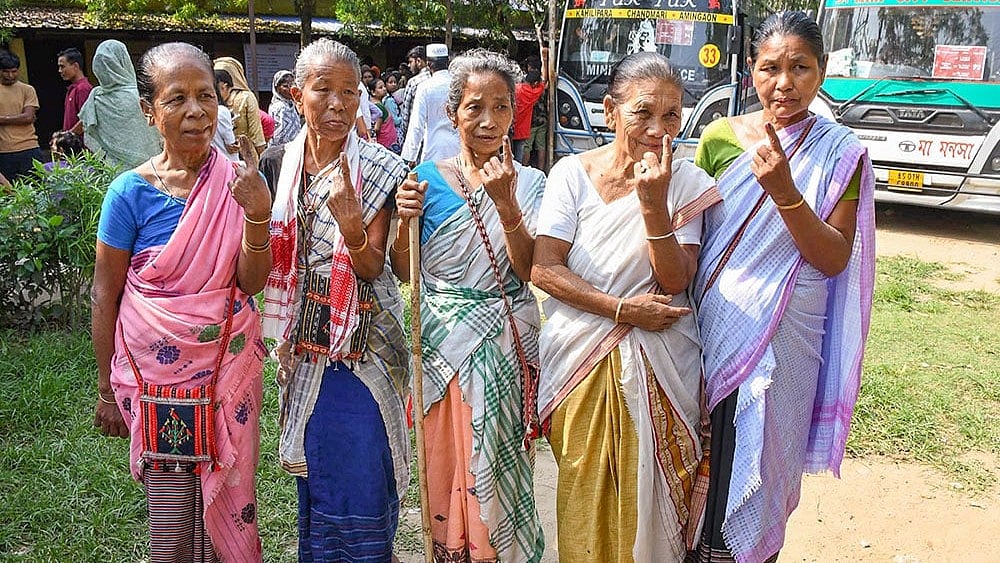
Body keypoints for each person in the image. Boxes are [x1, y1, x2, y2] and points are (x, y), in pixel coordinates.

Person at [690, 12, 875, 563]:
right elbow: (695, 240)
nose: (784, 83)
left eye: (800, 68)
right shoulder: (721, 137)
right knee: (703, 462)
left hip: (788, 336)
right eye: (770, 68)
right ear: (751, 72)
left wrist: (786, 193)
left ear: (821, 75)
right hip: (717, 327)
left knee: (762, 467)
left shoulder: (842, 153)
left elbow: (835, 256)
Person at [531, 51, 722, 561]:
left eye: (672, 115)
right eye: (643, 113)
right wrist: (621, 310)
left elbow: (675, 278)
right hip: (580, 360)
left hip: (663, 365)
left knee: (653, 501)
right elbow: (544, 269)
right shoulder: (570, 174)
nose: (659, 129)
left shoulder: (688, 185)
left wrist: (654, 205)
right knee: (584, 494)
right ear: (610, 112)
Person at [91, 42, 272, 562]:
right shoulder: (129, 193)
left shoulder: (237, 183)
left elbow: (250, 283)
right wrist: (106, 387)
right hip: (155, 382)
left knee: (230, 498)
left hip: (226, 372)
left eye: (205, 96)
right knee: (170, 520)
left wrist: (257, 215)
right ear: (150, 111)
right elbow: (107, 293)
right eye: (177, 99)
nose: (196, 110)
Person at [259, 37, 411, 562]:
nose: (338, 104)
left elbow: (371, 267)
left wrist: (349, 223)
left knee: (364, 464)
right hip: (303, 345)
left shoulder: (379, 168)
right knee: (319, 467)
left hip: (364, 345)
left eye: (350, 92)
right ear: (298, 95)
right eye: (323, 90)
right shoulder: (278, 163)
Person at [392, 48, 546, 563]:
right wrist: (401, 221)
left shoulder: (531, 183)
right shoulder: (424, 179)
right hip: (443, 351)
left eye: (501, 108)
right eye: (475, 107)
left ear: (514, 114)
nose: (488, 121)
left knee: (497, 468)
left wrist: (506, 205)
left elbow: (529, 271)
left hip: (501, 345)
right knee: (448, 461)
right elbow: (405, 270)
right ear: (452, 111)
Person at [74, 39, 162, 170]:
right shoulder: (141, 95)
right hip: (153, 169)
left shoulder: (96, 100)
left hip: (115, 172)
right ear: (124, 61)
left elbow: (91, 136)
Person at [401, 43, 459, 167]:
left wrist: (408, 157)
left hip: (433, 150)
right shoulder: (458, 85)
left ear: (429, 64)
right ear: (447, 62)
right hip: (458, 149)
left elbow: (417, 125)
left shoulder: (425, 87)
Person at [0, 51, 44, 183]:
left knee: (38, 191)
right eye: (6, 72)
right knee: (9, 195)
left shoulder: (27, 89)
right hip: (4, 150)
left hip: (29, 147)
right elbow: (25, 117)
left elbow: (28, 117)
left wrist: (2, 119)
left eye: (14, 71)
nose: (10, 76)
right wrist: (17, 118)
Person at [213, 57, 266, 155]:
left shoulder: (210, 101)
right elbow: (257, 136)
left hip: (221, 158)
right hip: (244, 156)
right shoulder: (246, 97)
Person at [512, 49, 548, 164]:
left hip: (516, 127)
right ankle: (539, 170)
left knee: (520, 151)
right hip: (530, 126)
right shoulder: (535, 92)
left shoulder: (516, 89)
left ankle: (522, 169)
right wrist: (545, 59)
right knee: (539, 147)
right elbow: (544, 82)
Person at [398, 45, 431, 140]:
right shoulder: (435, 79)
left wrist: (405, 135)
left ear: (419, 61)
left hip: (415, 133)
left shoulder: (413, 82)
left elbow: (406, 115)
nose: (409, 66)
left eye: (410, 62)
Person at [57, 47, 93, 134]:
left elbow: (86, 119)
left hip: (81, 145)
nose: (60, 71)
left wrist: (68, 136)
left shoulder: (83, 88)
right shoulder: (73, 89)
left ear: (75, 66)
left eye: (62, 66)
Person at [268, 69, 301, 146]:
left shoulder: (291, 104)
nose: (290, 89)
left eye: (292, 85)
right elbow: (279, 135)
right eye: (285, 86)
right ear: (277, 88)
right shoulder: (279, 107)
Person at [367, 77, 400, 153]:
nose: (384, 89)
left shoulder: (378, 104)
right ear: (373, 92)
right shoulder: (379, 107)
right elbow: (376, 128)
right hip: (386, 144)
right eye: (380, 88)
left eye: (384, 86)